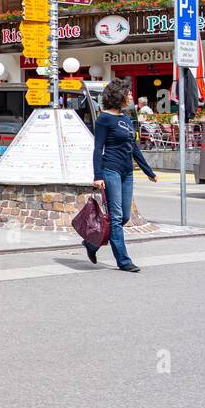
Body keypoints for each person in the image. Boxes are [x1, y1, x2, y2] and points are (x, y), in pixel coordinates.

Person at [86, 78, 157, 272]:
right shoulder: (104, 119)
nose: (131, 97)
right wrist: (97, 175)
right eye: (128, 94)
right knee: (116, 217)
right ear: (119, 96)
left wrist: (148, 171)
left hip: (127, 172)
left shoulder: (126, 119)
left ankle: (92, 244)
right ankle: (123, 261)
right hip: (111, 170)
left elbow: (133, 147)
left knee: (124, 216)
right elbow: (98, 148)